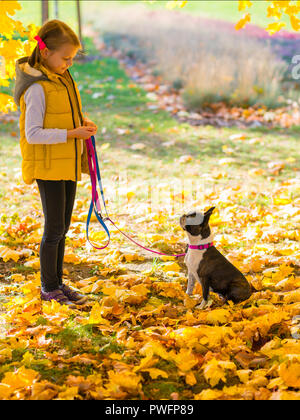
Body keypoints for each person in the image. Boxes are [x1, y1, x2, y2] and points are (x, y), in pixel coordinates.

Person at [13, 20, 98, 307]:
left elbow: (63, 114)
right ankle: (48, 287)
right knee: (53, 230)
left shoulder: (61, 77)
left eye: (73, 58)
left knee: (62, 227)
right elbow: (33, 133)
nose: (70, 63)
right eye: (66, 58)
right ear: (46, 53)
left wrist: (81, 124)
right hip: (48, 165)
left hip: (66, 162)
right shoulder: (37, 87)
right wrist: (72, 133)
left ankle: (58, 283)